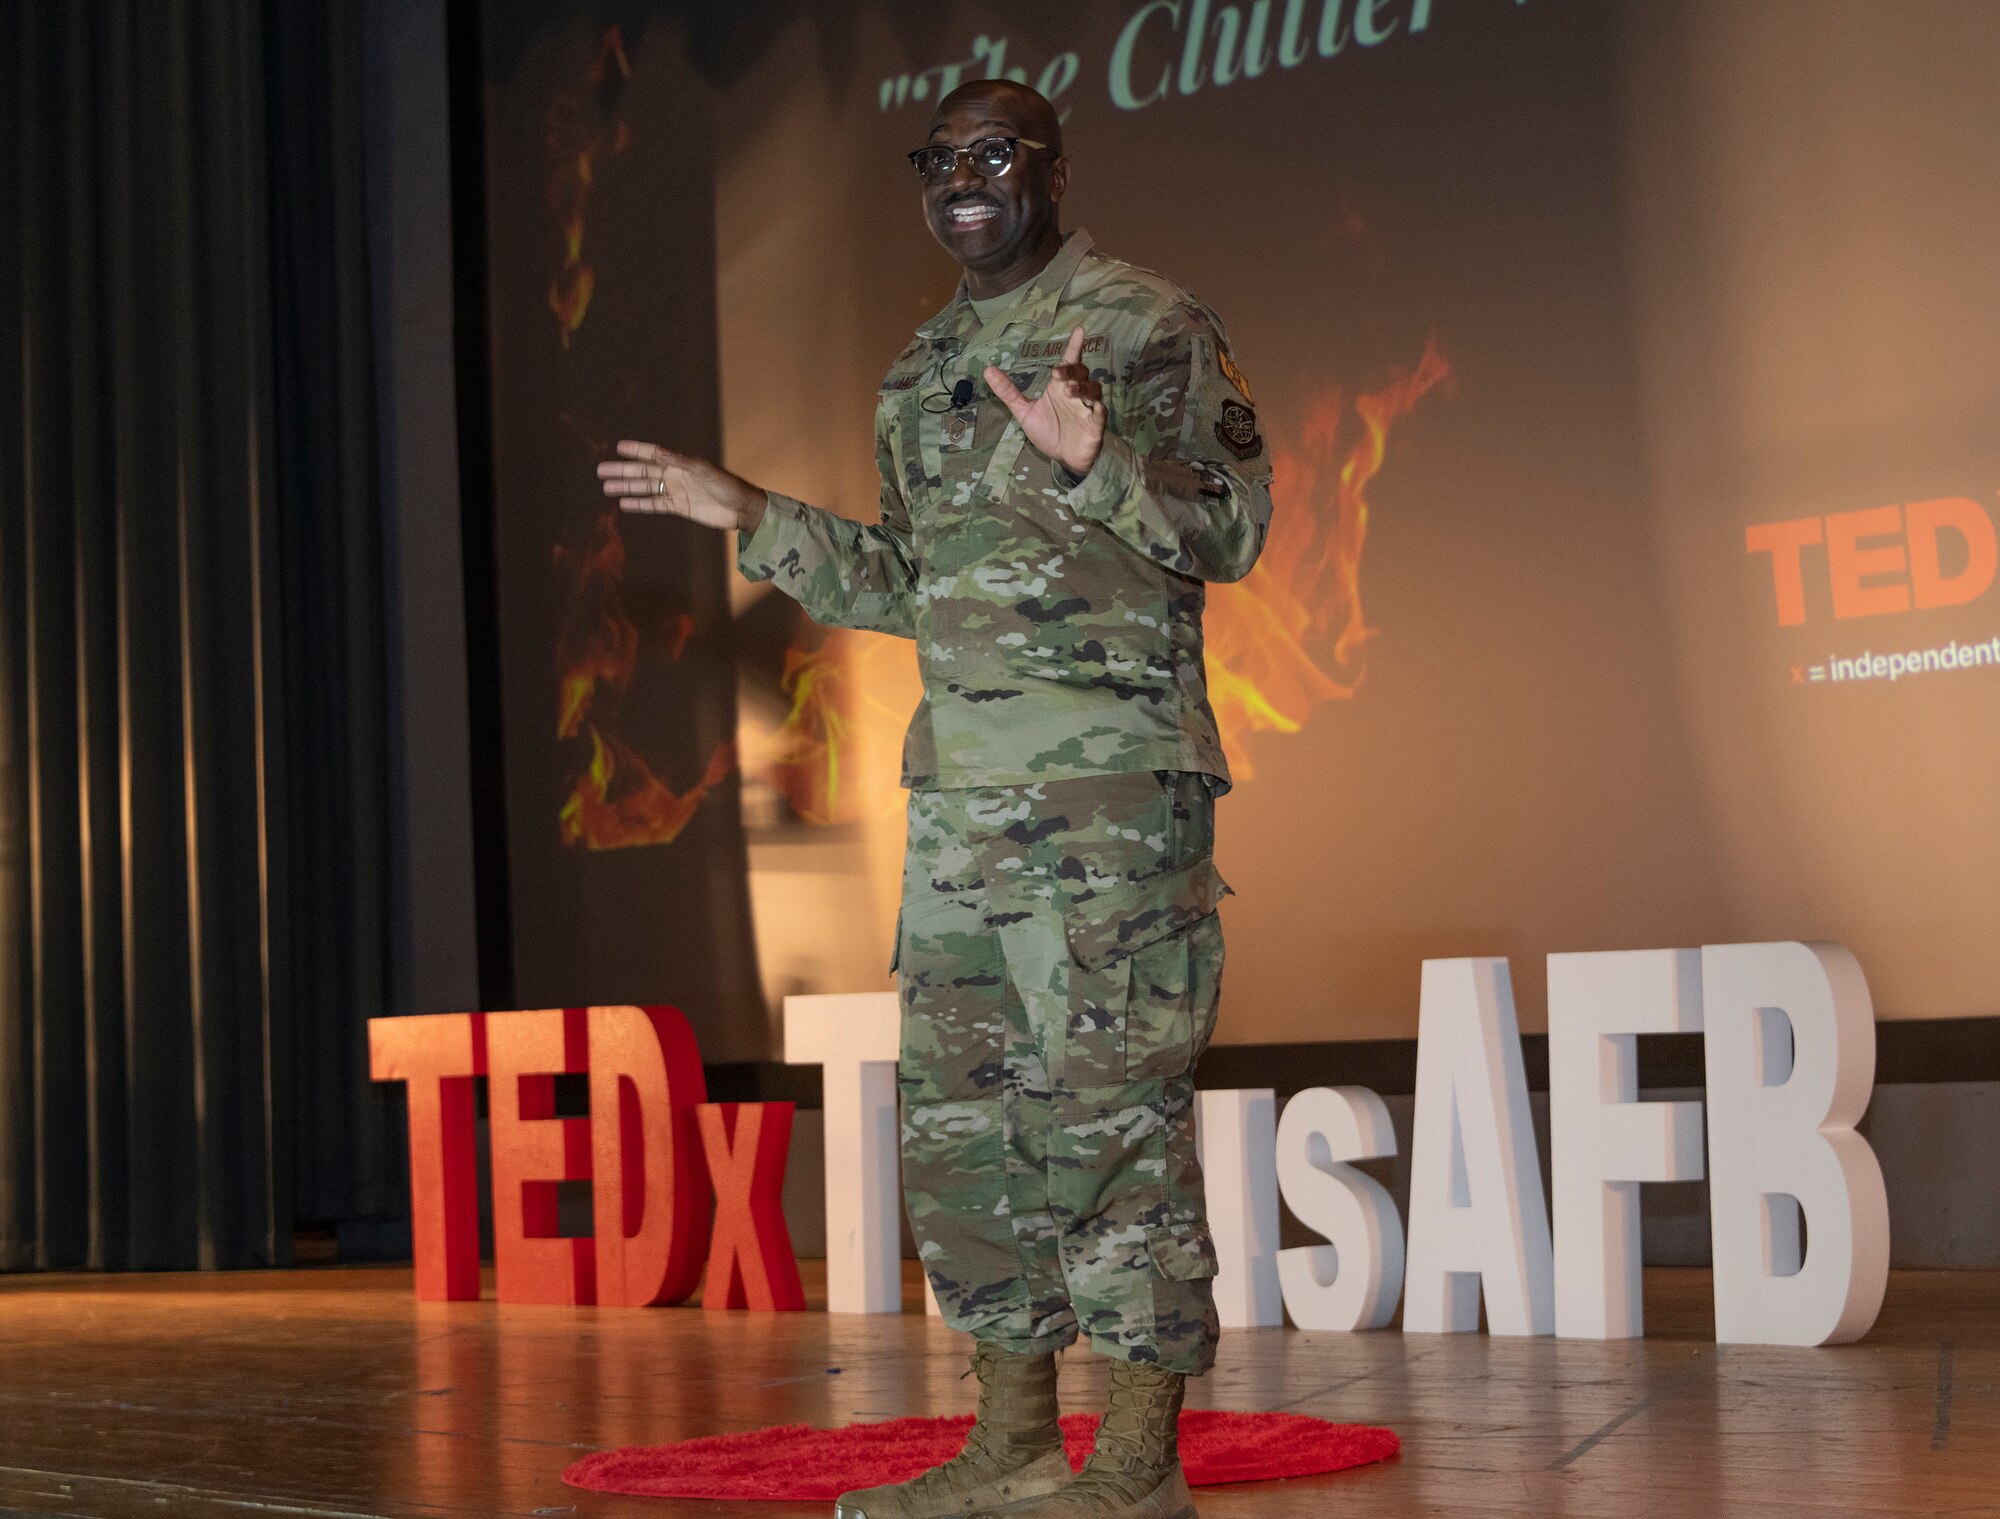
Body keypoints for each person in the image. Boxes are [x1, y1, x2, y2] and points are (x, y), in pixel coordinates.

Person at [601, 78, 1272, 1519]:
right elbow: (916, 584)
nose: (963, 180)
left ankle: (1142, 1466)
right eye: (939, 159)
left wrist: (1100, 460)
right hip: (963, 813)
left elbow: (1235, 525)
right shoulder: (920, 373)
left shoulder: (1147, 321)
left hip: (1108, 805)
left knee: (1109, 1125)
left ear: (1052, 168)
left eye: (994, 154)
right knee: (970, 1132)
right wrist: (755, 516)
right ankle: (1018, 1445)